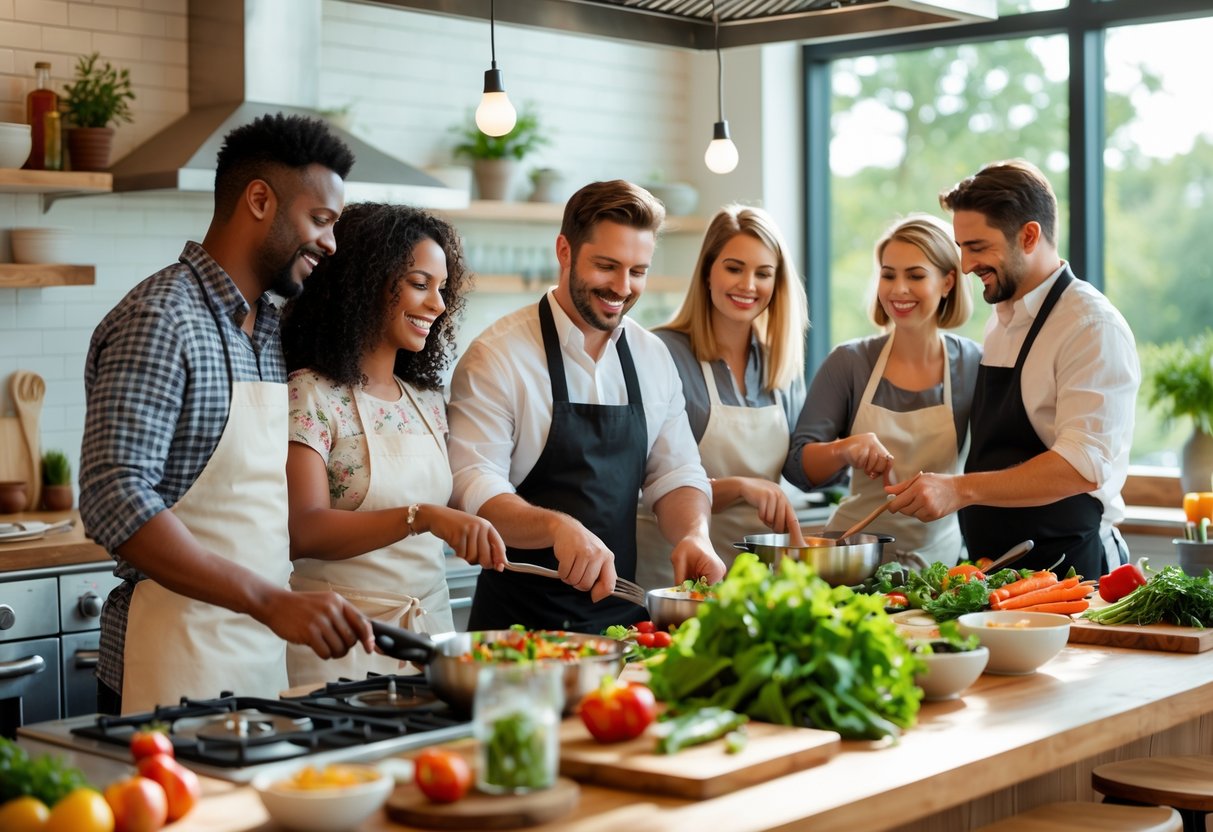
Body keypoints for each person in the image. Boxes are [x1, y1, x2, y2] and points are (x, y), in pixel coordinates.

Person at [78, 114, 372, 715]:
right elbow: (114, 497)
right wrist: (267, 600)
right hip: (166, 665)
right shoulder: (162, 319)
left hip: (257, 660)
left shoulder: (267, 329)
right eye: (320, 220)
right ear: (259, 200)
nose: (331, 243)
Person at [447, 179, 726, 633]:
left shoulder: (653, 357)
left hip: (621, 623)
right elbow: (474, 488)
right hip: (518, 631)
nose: (622, 286)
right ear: (564, 251)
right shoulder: (497, 356)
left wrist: (694, 533)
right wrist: (558, 529)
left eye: (638, 271)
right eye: (606, 266)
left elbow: (675, 473)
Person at [280, 202, 505, 686]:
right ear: (365, 282)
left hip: (431, 638)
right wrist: (420, 516)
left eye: (442, 289)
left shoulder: (426, 400)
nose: (438, 305)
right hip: (341, 645)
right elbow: (305, 530)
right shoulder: (312, 394)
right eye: (420, 284)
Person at [886, 160, 1140, 577]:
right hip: (999, 571)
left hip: (1073, 571)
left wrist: (959, 490)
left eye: (978, 247)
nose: (966, 266)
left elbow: (1081, 466)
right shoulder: (1000, 322)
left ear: (1029, 236)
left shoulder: (1091, 326)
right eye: (961, 247)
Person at [784, 214, 980, 565]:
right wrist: (845, 449)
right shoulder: (849, 362)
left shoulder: (972, 364)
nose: (898, 289)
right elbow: (798, 468)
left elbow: (990, 467)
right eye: (888, 275)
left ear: (948, 282)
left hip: (938, 563)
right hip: (853, 558)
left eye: (915, 275)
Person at [635, 204, 808, 589]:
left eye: (763, 273)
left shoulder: (780, 365)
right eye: (734, 268)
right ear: (708, 272)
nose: (748, 285)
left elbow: (800, 466)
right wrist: (742, 486)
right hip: (674, 577)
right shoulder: (662, 352)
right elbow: (642, 485)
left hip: (755, 579)